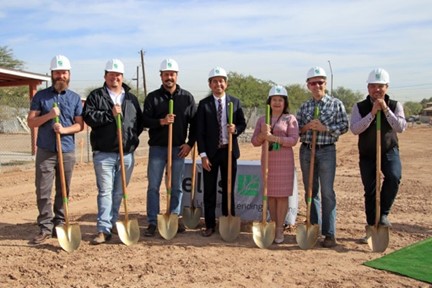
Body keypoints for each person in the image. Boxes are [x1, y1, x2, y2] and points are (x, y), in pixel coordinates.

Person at [82, 59, 144, 245]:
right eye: (111, 74)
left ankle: (112, 222)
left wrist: (130, 139)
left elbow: (138, 123)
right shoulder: (96, 95)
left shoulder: (131, 98)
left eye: (117, 75)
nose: (114, 78)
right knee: (105, 191)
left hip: (126, 154)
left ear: (122, 77)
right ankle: (103, 229)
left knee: (119, 192)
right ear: (105, 76)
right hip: (104, 153)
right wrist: (110, 114)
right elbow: (89, 117)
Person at [27, 55, 84, 244]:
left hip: (66, 150)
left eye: (64, 72)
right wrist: (49, 116)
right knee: (43, 190)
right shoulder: (41, 96)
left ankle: (60, 222)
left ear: (69, 75)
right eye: (57, 72)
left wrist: (64, 129)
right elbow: (31, 121)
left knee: (63, 189)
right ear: (52, 74)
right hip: (45, 150)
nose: (61, 76)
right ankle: (45, 227)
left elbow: (79, 125)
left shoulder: (75, 98)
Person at [350, 68, 406, 243]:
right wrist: (372, 113)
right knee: (371, 190)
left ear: (387, 87)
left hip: (389, 150)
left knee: (394, 177)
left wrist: (386, 111)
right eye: (373, 86)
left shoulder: (396, 105)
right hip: (367, 154)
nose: (377, 90)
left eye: (380, 86)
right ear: (368, 88)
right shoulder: (359, 107)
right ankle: (371, 227)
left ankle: (383, 214)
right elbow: (355, 128)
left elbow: (400, 127)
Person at [142, 58, 197, 237]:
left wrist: (189, 144)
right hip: (158, 148)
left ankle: (174, 216)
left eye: (172, 74)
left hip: (178, 149)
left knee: (176, 186)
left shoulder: (186, 97)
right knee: (154, 186)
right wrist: (162, 121)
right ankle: (152, 221)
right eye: (166, 74)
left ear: (176, 75)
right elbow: (144, 121)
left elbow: (195, 124)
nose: (169, 77)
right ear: (161, 76)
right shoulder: (153, 98)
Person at [296, 66, 349, 248]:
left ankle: (329, 233)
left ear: (325, 83)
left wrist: (325, 128)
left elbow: (344, 126)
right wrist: (307, 127)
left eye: (320, 82)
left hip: (326, 150)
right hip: (307, 150)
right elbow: (297, 130)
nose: (317, 85)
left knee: (327, 192)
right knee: (311, 191)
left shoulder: (336, 104)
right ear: (308, 85)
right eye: (313, 83)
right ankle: (313, 226)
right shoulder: (305, 106)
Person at [196, 67, 246, 237]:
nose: (218, 84)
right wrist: (203, 155)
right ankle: (210, 224)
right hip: (210, 154)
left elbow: (242, 124)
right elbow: (199, 132)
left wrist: (236, 129)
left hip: (229, 152)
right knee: (209, 190)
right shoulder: (204, 105)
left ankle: (227, 218)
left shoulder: (235, 102)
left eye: (221, 81)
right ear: (210, 84)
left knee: (228, 188)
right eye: (215, 81)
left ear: (226, 83)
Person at [251, 85, 299, 244]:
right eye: (274, 100)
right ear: (269, 102)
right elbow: (254, 142)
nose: (277, 103)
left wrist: (275, 139)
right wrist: (262, 135)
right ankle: (272, 224)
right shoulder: (262, 119)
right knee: (270, 194)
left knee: (282, 196)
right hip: (268, 160)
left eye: (280, 100)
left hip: (284, 161)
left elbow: (293, 140)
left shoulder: (290, 119)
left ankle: (279, 228)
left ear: (285, 102)